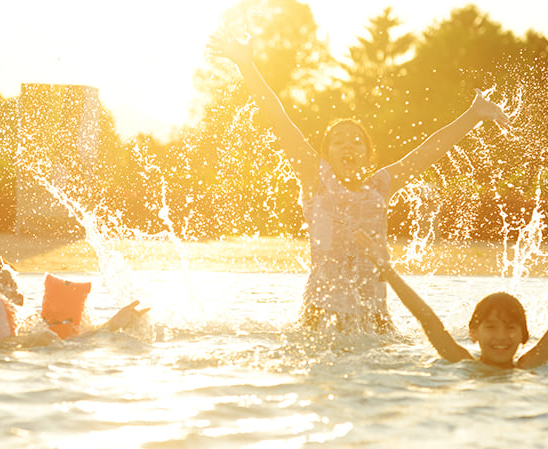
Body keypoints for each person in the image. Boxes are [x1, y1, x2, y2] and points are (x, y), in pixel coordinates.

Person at [207, 31, 510, 333]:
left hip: (375, 318)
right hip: (320, 318)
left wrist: (473, 115)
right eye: (338, 141)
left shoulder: (379, 187)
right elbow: (280, 119)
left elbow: (428, 152)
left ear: (367, 154)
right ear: (326, 154)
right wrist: (247, 65)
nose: (348, 145)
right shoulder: (317, 180)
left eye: (356, 141)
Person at [355, 230, 548, 369]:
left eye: (510, 328)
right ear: (474, 333)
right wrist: (386, 270)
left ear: (523, 335)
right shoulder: (461, 360)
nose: (501, 336)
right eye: (491, 327)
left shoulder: (531, 363)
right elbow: (427, 318)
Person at [0, 257, 149, 345]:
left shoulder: (30, 325)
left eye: (17, 285)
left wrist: (111, 325)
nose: (19, 295)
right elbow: (63, 346)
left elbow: (70, 339)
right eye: (9, 286)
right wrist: (110, 328)